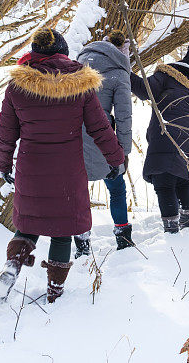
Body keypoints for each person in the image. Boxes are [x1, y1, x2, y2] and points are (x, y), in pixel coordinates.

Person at [0, 28, 124, 304]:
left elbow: (5, 132)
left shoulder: (17, 86)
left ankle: (11, 266)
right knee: (63, 230)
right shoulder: (81, 84)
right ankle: (55, 291)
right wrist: (116, 159)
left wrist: (2, 165)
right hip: (68, 172)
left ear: (35, 53)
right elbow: (100, 128)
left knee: (28, 224)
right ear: (63, 53)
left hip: (31, 169)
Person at [130, 42, 189, 233]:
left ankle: (172, 231)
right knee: (183, 182)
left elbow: (145, 91)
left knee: (165, 183)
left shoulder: (169, 73)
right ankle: (186, 226)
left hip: (169, 136)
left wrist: (124, 71)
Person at [74, 30, 135, 255]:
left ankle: (81, 244)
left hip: (73, 139)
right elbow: (124, 117)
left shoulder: (78, 66)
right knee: (117, 189)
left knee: (79, 191)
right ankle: (123, 238)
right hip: (104, 139)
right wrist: (124, 151)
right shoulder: (119, 74)